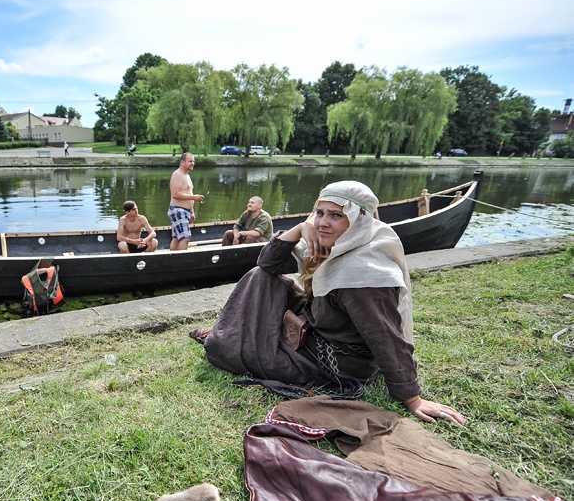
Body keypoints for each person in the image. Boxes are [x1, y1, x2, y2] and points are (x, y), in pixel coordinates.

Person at [190, 180, 466, 426]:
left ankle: (225, 338)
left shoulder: (363, 275)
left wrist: (412, 398)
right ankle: (231, 335)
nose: (322, 222)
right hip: (318, 324)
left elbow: (386, 337)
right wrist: (299, 229)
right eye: (319, 213)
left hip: (329, 363)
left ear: (358, 222)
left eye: (335, 215)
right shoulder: (333, 245)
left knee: (221, 349)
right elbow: (267, 264)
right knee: (260, 278)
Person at [167, 152, 204, 251]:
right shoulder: (177, 174)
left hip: (185, 211)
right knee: (185, 237)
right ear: (182, 162)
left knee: (177, 238)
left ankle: (172, 259)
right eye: (190, 161)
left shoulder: (187, 176)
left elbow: (187, 193)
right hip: (178, 210)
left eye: (193, 161)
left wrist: (192, 211)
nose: (193, 163)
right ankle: (181, 260)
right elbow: (175, 194)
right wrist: (194, 197)